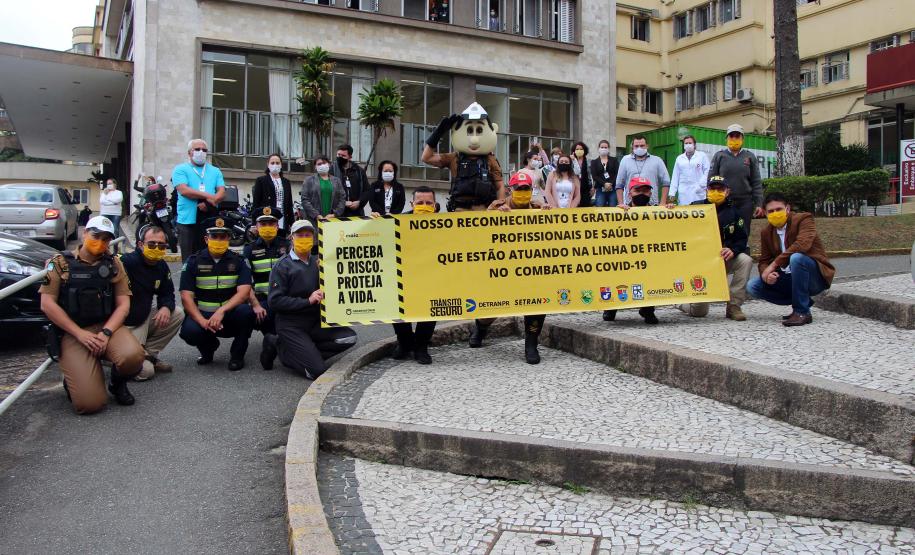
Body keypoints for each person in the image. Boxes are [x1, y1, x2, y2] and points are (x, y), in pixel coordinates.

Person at [39, 216, 144, 413]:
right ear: (84, 233)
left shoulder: (114, 263)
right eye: (96, 236)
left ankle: (117, 383)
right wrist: (80, 334)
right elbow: (47, 305)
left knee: (133, 357)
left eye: (106, 239)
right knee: (90, 405)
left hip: (106, 327)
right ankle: (76, 379)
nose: (101, 242)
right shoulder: (59, 262)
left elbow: (123, 305)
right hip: (73, 332)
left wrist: (106, 333)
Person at [268, 219, 357, 379]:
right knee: (316, 371)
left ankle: (304, 351)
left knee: (349, 338)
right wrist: (307, 301)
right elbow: (274, 302)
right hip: (291, 324)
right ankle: (281, 349)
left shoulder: (319, 262)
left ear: (314, 238)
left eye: (308, 235)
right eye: (299, 235)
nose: (304, 238)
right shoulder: (283, 266)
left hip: (316, 323)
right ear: (291, 237)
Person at [746, 192, 835, 327]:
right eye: (771, 211)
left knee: (797, 258)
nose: (775, 213)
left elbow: (802, 245)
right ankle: (802, 301)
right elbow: (764, 260)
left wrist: (774, 264)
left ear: (787, 208)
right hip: (789, 277)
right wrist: (767, 274)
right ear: (765, 212)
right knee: (753, 286)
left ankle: (801, 312)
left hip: (815, 277)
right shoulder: (766, 232)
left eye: (779, 209)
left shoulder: (804, 219)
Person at [488, 172, 550, 363]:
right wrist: (494, 215)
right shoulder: (497, 206)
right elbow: (479, 231)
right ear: (510, 190)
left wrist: (550, 216)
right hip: (501, 267)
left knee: (538, 303)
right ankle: (480, 330)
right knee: (489, 305)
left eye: (526, 189)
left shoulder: (539, 207)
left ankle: (531, 344)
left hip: (530, 266)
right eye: (519, 189)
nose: (522, 192)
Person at [178, 217, 256, 370]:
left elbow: (245, 291)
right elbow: (186, 296)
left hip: (229, 315)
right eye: (215, 236)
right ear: (207, 239)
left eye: (223, 237)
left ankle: (237, 356)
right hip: (204, 316)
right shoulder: (193, 262)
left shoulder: (239, 261)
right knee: (190, 331)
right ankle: (208, 348)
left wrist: (222, 311)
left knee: (247, 313)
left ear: (229, 238)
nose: (219, 240)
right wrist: (201, 321)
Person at [678, 176, 753, 321]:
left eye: (720, 189)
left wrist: (733, 250)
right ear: (706, 190)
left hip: (723, 259)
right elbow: (678, 226)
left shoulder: (735, 213)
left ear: (727, 191)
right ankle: (680, 304)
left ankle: (734, 306)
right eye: (712, 189)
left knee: (746, 260)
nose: (716, 191)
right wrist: (671, 209)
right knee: (699, 312)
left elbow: (742, 239)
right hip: (700, 263)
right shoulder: (694, 208)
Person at [121, 225, 184, 380]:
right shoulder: (126, 263)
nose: (157, 248)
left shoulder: (160, 265)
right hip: (125, 323)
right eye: (152, 244)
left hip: (142, 318)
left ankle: (148, 355)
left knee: (177, 313)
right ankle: (112, 359)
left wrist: (165, 307)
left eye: (161, 245)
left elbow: (167, 292)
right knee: (145, 372)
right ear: (140, 245)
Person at [421, 102, 505, 212]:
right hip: (460, 211)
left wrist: (501, 205)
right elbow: (426, 158)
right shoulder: (454, 158)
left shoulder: (490, 159)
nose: (474, 139)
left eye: (479, 130)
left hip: (484, 210)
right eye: (469, 130)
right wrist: (438, 133)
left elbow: (499, 186)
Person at [390, 186, 438, 364]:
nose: (424, 206)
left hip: (431, 275)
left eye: (428, 203)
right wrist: (374, 222)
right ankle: (404, 342)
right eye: (420, 203)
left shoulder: (447, 224)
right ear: (412, 204)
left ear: (434, 205)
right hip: (404, 275)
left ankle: (421, 347)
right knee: (397, 307)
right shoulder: (397, 222)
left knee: (431, 308)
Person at [604, 177, 660, 325]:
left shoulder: (658, 212)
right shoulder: (618, 212)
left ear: (651, 193)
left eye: (646, 190)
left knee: (651, 274)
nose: (642, 193)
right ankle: (612, 306)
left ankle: (648, 310)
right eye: (638, 190)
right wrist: (618, 213)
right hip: (625, 256)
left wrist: (670, 211)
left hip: (648, 256)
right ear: (629, 194)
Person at [243, 207, 288, 370]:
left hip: (285, 300)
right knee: (249, 315)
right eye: (263, 224)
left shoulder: (288, 246)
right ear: (256, 226)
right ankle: (273, 338)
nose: (267, 227)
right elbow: (244, 282)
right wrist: (255, 304)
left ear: (277, 226)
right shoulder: (249, 249)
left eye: (271, 223)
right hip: (262, 302)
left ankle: (276, 340)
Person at [173, 139, 226, 262]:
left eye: (204, 150)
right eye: (197, 149)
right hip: (187, 221)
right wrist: (210, 196)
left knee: (210, 256)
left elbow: (222, 192)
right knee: (189, 259)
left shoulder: (215, 171)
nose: (201, 152)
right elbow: (184, 191)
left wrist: (209, 201)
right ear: (189, 153)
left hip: (208, 219)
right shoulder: (180, 169)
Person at [709, 124, 764, 240]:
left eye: (737, 136)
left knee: (743, 230)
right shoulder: (719, 156)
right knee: (723, 229)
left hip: (745, 202)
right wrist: (712, 198)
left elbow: (756, 182)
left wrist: (759, 203)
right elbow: (711, 179)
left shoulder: (750, 157)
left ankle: (743, 253)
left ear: (742, 138)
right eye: (731, 136)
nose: (734, 139)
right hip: (724, 201)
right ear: (727, 138)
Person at [615, 135, 670, 207]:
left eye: (642, 145)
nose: (639, 148)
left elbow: (666, 181)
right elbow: (619, 183)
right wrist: (621, 203)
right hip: (630, 205)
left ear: (647, 146)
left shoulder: (657, 160)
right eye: (636, 146)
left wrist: (662, 203)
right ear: (632, 147)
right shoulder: (625, 160)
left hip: (651, 204)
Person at [252, 154, 294, 236]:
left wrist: (292, 224)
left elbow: (289, 205)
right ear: (268, 165)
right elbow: (256, 204)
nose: (275, 165)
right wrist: (254, 224)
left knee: (281, 244)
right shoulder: (261, 181)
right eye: (272, 163)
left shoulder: (286, 182)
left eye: (278, 163)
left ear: (281, 165)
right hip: (266, 220)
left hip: (282, 220)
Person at [301, 155, 346, 229]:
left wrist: (334, 214)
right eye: (319, 164)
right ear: (315, 167)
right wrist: (316, 215)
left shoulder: (337, 181)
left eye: (324, 163)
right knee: (315, 240)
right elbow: (305, 199)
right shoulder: (309, 180)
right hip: (314, 221)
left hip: (332, 220)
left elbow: (342, 199)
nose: (322, 165)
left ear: (329, 164)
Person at [668, 135, 710, 206]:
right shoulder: (679, 158)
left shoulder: (702, 156)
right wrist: (672, 194)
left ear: (694, 144)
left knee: (698, 213)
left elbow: (707, 172)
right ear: (683, 145)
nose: (688, 145)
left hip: (698, 192)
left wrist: (701, 185)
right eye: (686, 143)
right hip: (683, 193)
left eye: (690, 143)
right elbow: (675, 177)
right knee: (685, 214)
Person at [331, 144, 370, 217]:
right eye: (338, 155)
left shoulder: (359, 171)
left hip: (356, 213)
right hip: (336, 212)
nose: (340, 157)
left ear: (350, 157)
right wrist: (343, 203)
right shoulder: (331, 169)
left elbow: (367, 190)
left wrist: (359, 202)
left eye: (343, 156)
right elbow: (328, 191)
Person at [590, 139, 618, 207]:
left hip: (613, 188)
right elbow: (595, 176)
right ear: (598, 148)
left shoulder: (614, 160)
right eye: (602, 147)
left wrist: (610, 183)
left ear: (608, 149)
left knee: (613, 207)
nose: (604, 149)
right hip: (600, 188)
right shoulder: (594, 162)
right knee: (599, 206)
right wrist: (604, 184)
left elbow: (617, 173)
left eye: (605, 147)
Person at [99, 178, 123, 245]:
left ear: (114, 184)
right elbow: (102, 201)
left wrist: (108, 199)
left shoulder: (119, 192)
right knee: (104, 230)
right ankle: (104, 246)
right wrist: (113, 202)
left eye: (110, 183)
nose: (108, 185)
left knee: (115, 230)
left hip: (116, 214)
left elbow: (118, 200)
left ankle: (115, 248)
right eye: (107, 184)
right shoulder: (104, 192)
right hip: (105, 213)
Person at [571, 141, 593, 207]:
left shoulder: (589, 162)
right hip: (574, 187)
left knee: (585, 204)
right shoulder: (571, 161)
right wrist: (573, 160)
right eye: (577, 149)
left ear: (584, 150)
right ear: (574, 151)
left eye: (581, 149)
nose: (579, 151)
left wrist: (593, 187)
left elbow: (592, 175)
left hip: (586, 187)